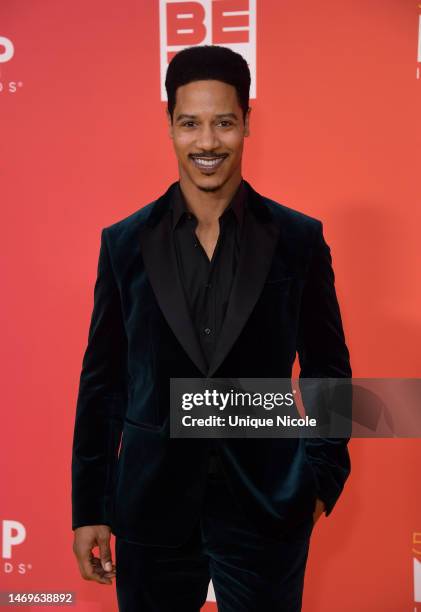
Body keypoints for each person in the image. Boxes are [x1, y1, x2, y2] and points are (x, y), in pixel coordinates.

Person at [71, 45, 352, 611]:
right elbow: (104, 383)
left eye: (223, 123)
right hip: (152, 506)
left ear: (246, 123)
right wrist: (91, 508)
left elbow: (328, 367)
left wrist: (322, 473)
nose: (206, 143)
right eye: (190, 123)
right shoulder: (124, 244)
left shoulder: (298, 240)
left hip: (267, 503)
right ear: (169, 125)